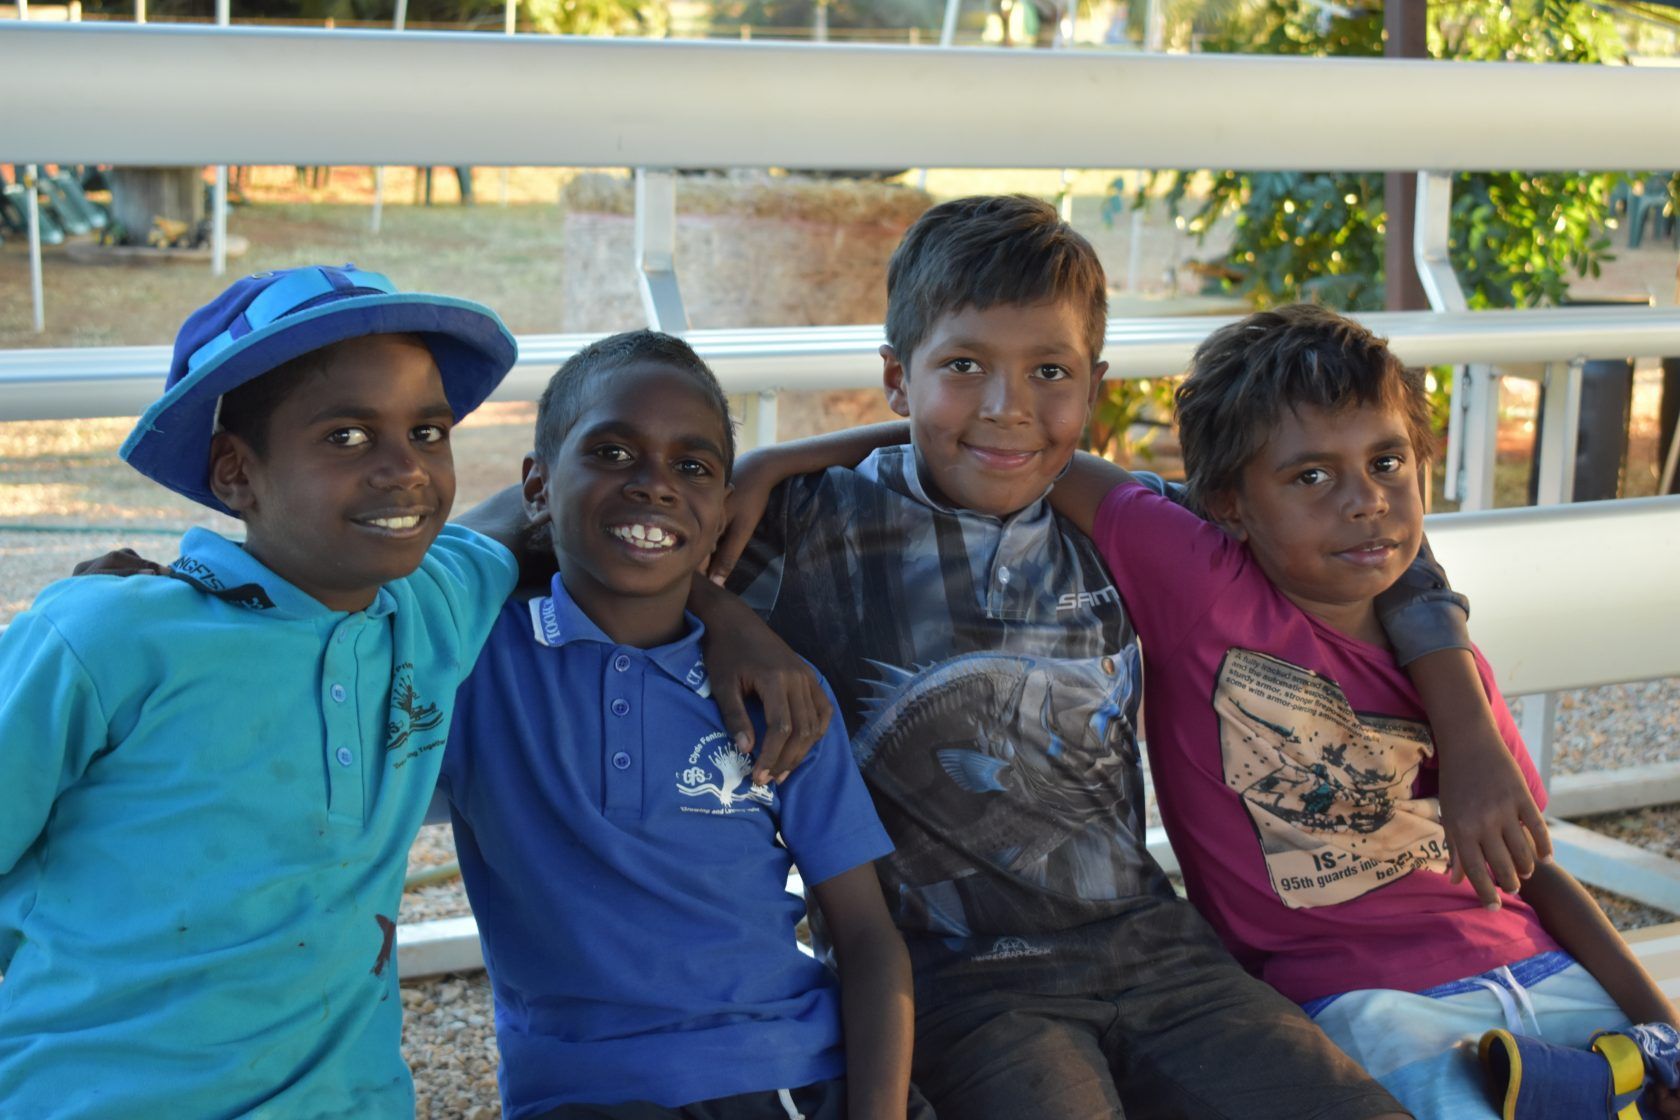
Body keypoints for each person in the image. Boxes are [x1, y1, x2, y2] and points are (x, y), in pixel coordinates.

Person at [702, 194, 1546, 1118]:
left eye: (1048, 371)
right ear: (898, 380)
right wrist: (728, 594)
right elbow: (567, 545)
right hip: (962, 975)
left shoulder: (1114, 522)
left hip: (1156, 948)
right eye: (964, 367)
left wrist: (1466, 730)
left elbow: (1375, 544)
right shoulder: (817, 526)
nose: (1006, 407)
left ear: (1094, 385)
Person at [0, 267, 826, 1118]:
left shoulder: (432, 603)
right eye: (349, 438)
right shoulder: (107, 638)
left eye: (428, 432)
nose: (406, 472)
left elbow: (580, 515)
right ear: (233, 471)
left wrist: (726, 611)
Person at [1044, 303, 1680, 1119]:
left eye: (1387, 463)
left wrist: (1660, 1029)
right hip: (1363, 1005)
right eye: (1311, 476)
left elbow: (1535, 873)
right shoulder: (1206, 593)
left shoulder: (1450, 670)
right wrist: (830, 454)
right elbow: (1033, 449)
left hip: (1550, 982)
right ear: (1229, 504)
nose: (1364, 501)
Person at [439, 330, 924, 1120]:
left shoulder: (782, 696)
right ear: (536, 486)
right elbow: (412, 565)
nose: (656, 486)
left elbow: (867, 937)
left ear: (723, 510)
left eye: (691, 467)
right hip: (581, 1093)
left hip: (791, 1074)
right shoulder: (472, 664)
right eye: (613, 452)